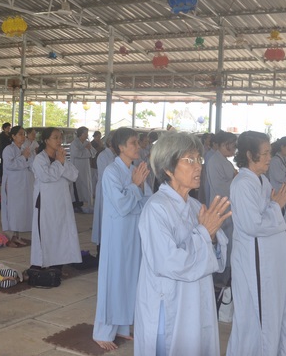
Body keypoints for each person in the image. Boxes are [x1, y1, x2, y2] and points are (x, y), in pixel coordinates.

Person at [134, 132, 231, 356]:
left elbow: (216, 256)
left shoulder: (195, 206)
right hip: (170, 302)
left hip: (197, 300)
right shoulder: (156, 208)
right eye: (190, 160)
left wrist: (212, 237)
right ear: (168, 168)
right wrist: (204, 233)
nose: (198, 166)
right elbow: (169, 262)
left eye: (199, 159)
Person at [226, 131, 286, 355]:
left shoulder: (261, 180)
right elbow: (253, 225)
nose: (269, 158)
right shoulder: (242, 184)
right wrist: (276, 206)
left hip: (269, 261)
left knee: (272, 314)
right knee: (255, 317)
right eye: (264, 153)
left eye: (269, 153)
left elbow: (267, 214)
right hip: (255, 261)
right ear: (249, 154)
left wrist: (275, 205)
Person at [93, 128, 152, 350]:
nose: (138, 146)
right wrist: (135, 187)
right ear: (121, 147)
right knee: (114, 279)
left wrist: (136, 189)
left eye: (138, 142)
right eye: (133, 143)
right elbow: (121, 205)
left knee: (130, 278)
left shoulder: (135, 169)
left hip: (134, 232)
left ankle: (122, 326)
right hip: (117, 234)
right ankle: (102, 331)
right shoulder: (111, 172)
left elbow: (146, 201)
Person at [31, 128, 82, 272]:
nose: (59, 141)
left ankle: (58, 264)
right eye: (55, 137)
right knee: (48, 233)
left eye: (60, 137)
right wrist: (59, 163)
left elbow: (74, 175)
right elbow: (46, 177)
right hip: (46, 204)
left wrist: (61, 162)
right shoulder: (40, 159)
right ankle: (45, 264)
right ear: (46, 140)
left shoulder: (61, 157)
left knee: (61, 233)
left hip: (62, 202)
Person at [204, 130, 237, 288]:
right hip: (220, 205)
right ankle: (220, 279)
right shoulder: (214, 161)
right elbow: (220, 187)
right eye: (233, 145)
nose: (234, 149)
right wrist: (235, 180)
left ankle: (226, 275)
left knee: (228, 242)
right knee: (222, 242)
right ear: (225, 144)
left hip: (227, 205)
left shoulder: (223, 160)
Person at [1, 126, 34, 247]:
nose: (23, 137)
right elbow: (10, 165)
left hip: (24, 183)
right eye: (20, 134)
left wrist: (26, 158)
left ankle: (17, 236)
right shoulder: (8, 149)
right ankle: (9, 237)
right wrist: (23, 157)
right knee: (12, 210)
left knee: (21, 209)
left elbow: (31, 164)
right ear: (13, 136)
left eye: (24, 134)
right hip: (13, 184)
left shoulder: (25, 149)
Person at [91, 132, 115, 250]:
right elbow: (106, 175)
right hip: (105, 190)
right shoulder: (103, 155)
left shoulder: (116, 156)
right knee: (103, 217)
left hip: (114, 191)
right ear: (110, 142)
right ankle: (101, 247)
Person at [70, 126, 96, 213]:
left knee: (86, 185)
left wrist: (89, 149)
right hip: (77, 167)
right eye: (85, 133)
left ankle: (86, 204)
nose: (87, 135)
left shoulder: (87, 143)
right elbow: (76, 154)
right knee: (77, 185)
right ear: (80, 134)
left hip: (86, 167)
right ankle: (76, 204)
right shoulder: (74, 143)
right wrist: (86, 149)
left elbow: (93, 153)